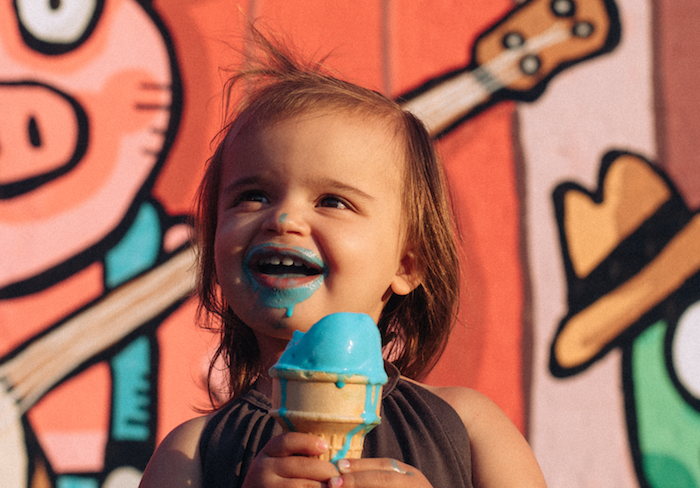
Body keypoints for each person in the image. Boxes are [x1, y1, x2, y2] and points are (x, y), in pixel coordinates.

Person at [140, 30, 545, 488]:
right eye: (253, 196)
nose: (285, 219)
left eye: (333, 201)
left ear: (407, 265)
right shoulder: (189, 453)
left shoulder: (470, 427)